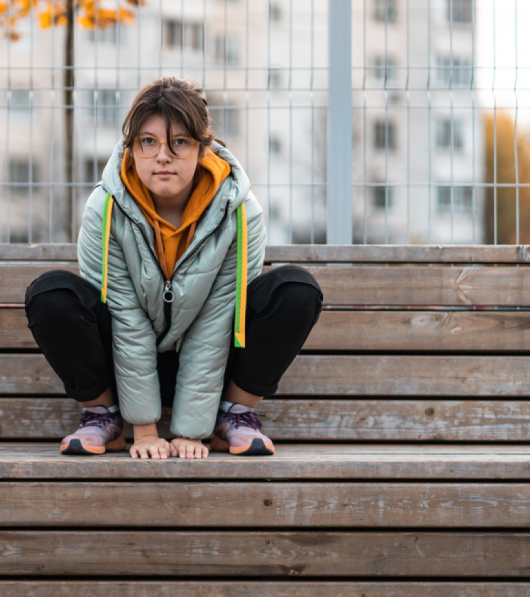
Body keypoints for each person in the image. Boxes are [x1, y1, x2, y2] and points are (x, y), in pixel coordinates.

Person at [24, 76, 322, 459]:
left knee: (294, 290)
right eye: (148, 142)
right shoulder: (105, 207)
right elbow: (125, 317)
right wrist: (145, 432)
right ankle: (104, 416)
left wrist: (191, 431)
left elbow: (216, 320)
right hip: (122, 365)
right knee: (53, 295)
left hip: (211, 370)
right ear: (131, 149)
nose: (162, 156)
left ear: (202, 148)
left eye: (179, 142)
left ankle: (232, 415)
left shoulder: (240, 211)